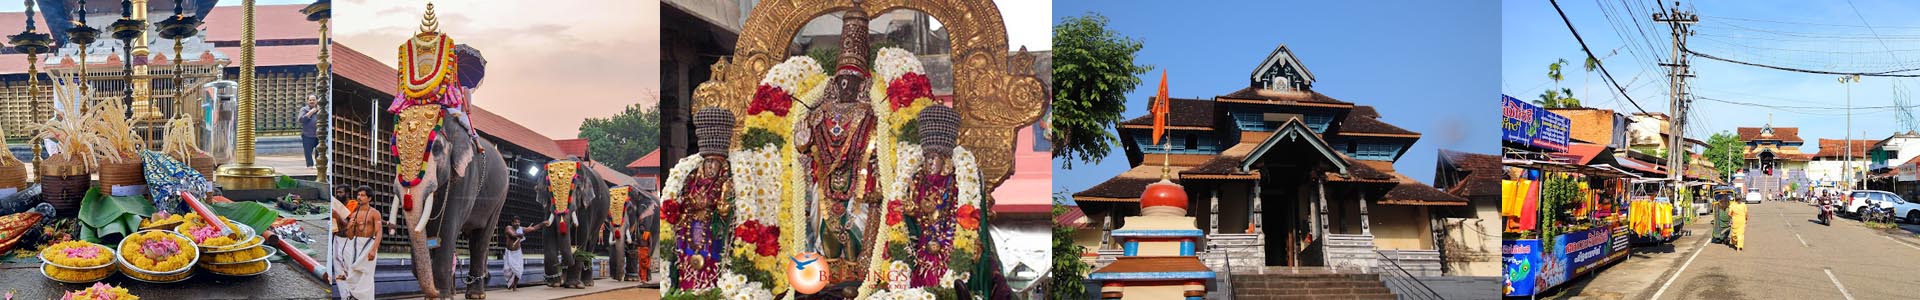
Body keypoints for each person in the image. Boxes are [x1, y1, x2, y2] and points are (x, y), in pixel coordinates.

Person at [334, 185, 383, 299]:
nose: (359, 197)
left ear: (369, 198)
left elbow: (379, 233)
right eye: (358, 195)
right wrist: (349, 227)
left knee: (366, 275)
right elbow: (350, 237)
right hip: (355, 245)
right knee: (352, 274)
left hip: (369, 245)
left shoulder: (375, 213)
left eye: (362, 195)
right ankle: (353, 296)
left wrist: (373, 250)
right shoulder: (354, 214)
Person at [503, 217, 549, 291]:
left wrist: (542, 224)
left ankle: (515, 286)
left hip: (517, 253)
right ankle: (509, 283)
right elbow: (512, 235)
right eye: (515, 222)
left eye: (518, 222)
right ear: (512, 223)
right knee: (507, 271)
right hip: (509, 253)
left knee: (518, 270)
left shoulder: (521, 229)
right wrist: (519, 235)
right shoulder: (508, 228)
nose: (517, 224)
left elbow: (533, 228)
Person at [298, 94, 321, 167]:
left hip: (319, 135)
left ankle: (319, 167)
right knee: (308, 153)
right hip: (307, 135)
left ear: (317, 101)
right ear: (307, 101)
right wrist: (311, 112)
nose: (312, 101)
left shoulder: (321, 109)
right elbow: (301, 120)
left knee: (320, 152)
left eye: (313, 100)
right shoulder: (304, 109)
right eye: (310, 100)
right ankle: (310, 166)